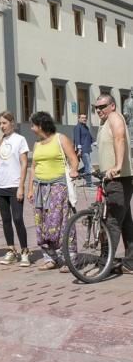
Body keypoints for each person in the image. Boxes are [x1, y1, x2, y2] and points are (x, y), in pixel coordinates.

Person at [27, 112, 79, 271]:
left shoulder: (60, 138)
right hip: (40, 188)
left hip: (58, 187)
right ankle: (50, 258)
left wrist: (74, 171)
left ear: (41, 125)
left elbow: (73, 158)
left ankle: (68, 258)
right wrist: (30, 189)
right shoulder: (37, 144)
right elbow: (34, 168)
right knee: (41, 223)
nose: (31, 128)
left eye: (33, 125)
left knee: (60, 222)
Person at [95, 94, 133, 275]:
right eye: (97, 107)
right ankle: (130, 262)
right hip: (112, 179)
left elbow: (120, 139)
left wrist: (117, 166)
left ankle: (105, 263)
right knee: (125, 222)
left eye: (103, 106)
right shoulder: (104, 123)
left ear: (113, 106)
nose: (99, 110)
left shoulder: (115, 117)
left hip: (119, 179)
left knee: (112, 221)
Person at [0, 112, 30, 266]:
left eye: (4, 123)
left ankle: (25, 251)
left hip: (14, 185)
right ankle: (11, 250)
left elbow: (24, 163)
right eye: (0, 123)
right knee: (5, 220)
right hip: (0, 184)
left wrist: (21, 186)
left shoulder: (20, 140)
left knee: (18, 218)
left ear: (12, 122)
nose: (2, 126)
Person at [73, 113, 94, 187]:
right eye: (82, 118)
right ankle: (89, 183)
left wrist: (94, 142)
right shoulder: (77, 127)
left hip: (87, 148)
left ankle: (78, 173)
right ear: (79, 119)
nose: (84, 119)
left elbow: (89, 136)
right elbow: (77, 138)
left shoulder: (86, 127)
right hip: (82, 149)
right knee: (88, 166)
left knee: (87, 165)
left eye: (85, 118)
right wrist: (79, 149)